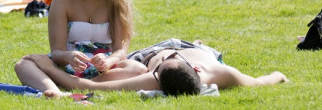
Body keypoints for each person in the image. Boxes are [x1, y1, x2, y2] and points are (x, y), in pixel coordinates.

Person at [15, 0, 136, 93]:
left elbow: (120, 50)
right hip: (68, 66)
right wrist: (69, 56)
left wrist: (108, 61)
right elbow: (57, 52)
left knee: (136, 68)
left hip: (105, 69)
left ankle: (65, 86)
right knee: (23, 65)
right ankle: (65, 89)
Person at [20, 38, 286, 97]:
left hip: (147, 57)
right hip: (181, 44)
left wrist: (47, 66)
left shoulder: (151, 78)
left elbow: (87, 85)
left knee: (132, 69)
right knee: (132, 67)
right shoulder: (220, 72)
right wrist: (278, 75)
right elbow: (263, 80)